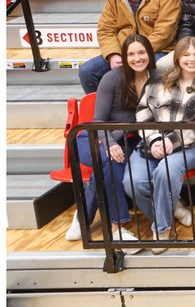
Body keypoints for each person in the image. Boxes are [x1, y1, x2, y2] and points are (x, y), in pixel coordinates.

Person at [127, 36, 195, 246]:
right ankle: (173, 209)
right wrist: (155, 139)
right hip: (152, 143)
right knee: (133, 183)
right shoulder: (159, 80)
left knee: (165, 171)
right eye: (186, 54)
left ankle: (162, 230)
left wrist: (171, 140)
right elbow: (143, 112)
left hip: (191, 146)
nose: (191, 59)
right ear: (177, 57)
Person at [64, 34, 155, 246]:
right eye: (131, 54)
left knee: (106, 166)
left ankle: (82, 216)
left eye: (141, 52)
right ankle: (117, 226)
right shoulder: (113, 78)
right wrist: (110, 143)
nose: (137, 58)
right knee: (107, 160)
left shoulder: (157, 78)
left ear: (149, 53)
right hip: (94, 137)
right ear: (124, 56)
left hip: (128, 141)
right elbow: (97, 121)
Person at [80, 0, 181, 94]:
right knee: (87, 71)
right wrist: (113, 54)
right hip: (122, 51)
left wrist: (135, 54)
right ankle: (105, 112)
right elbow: (106, 29)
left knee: (158, 69)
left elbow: (165, 32)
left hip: (156, 50)